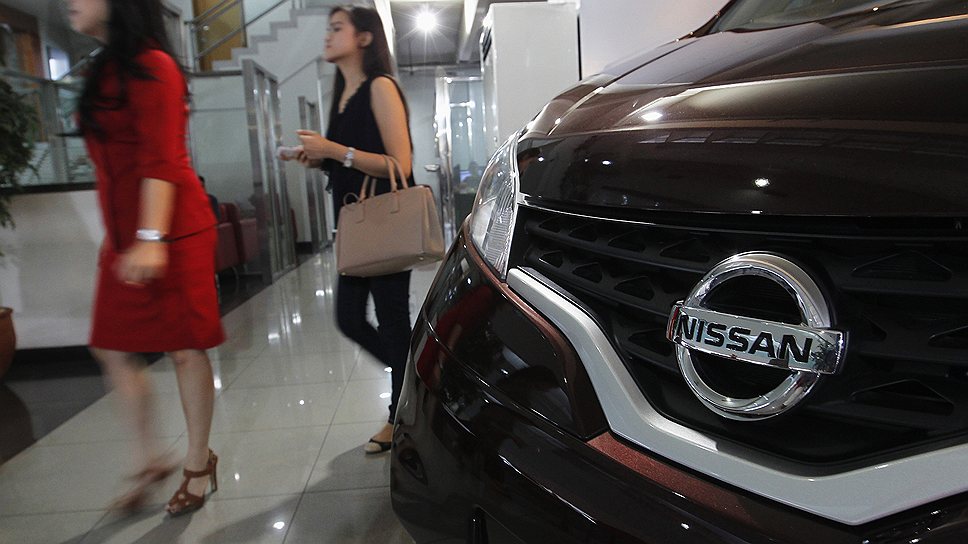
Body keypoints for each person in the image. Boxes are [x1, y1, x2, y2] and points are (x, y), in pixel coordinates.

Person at [67, 0, 224, 516]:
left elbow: (162, 159)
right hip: (128, 238)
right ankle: (149, 458)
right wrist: (122, 236)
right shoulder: (105, 68)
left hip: (172, 231)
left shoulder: (154, 65)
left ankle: (198, 462)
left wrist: (151, 236)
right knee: (110, 346)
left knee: (185, 348)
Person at [285, 5, 414, 454]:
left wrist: (334, 150)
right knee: (350, 318)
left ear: (364, 38)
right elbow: (351, 158)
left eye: (336, 28)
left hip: (383, 222)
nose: (327, 36)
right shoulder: (342, 94)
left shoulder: (380, 86)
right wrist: (318, 158)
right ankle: (419, 381)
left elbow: (400, 164)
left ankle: (402, 413)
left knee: (392, 322)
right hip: (356, 225)